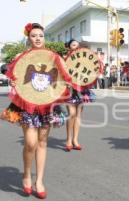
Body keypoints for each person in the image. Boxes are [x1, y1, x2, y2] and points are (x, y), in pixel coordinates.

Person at [0, 23, 66, 199]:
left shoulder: (53, 57)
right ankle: (27, 174)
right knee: (30, 143)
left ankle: (39, 181)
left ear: (44, 38)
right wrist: (13, 82)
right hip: (27, 104)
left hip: (47, 104)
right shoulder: (22, 57)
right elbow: (13, 76)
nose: (38, 38)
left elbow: (64, 76)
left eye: (41, 35)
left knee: (43, 141)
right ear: (28, 38)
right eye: (34, 35)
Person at [65, 39, 96, 151]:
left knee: (78, 115)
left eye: (78, 45)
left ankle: (75, 140)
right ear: (69, 47)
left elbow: (90, 72)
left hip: (82, 91)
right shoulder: (65, 60)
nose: (76, 47)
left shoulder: (84, 59)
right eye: (73, 45)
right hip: (69, 91)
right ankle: (68, 140)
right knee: (71, 114)